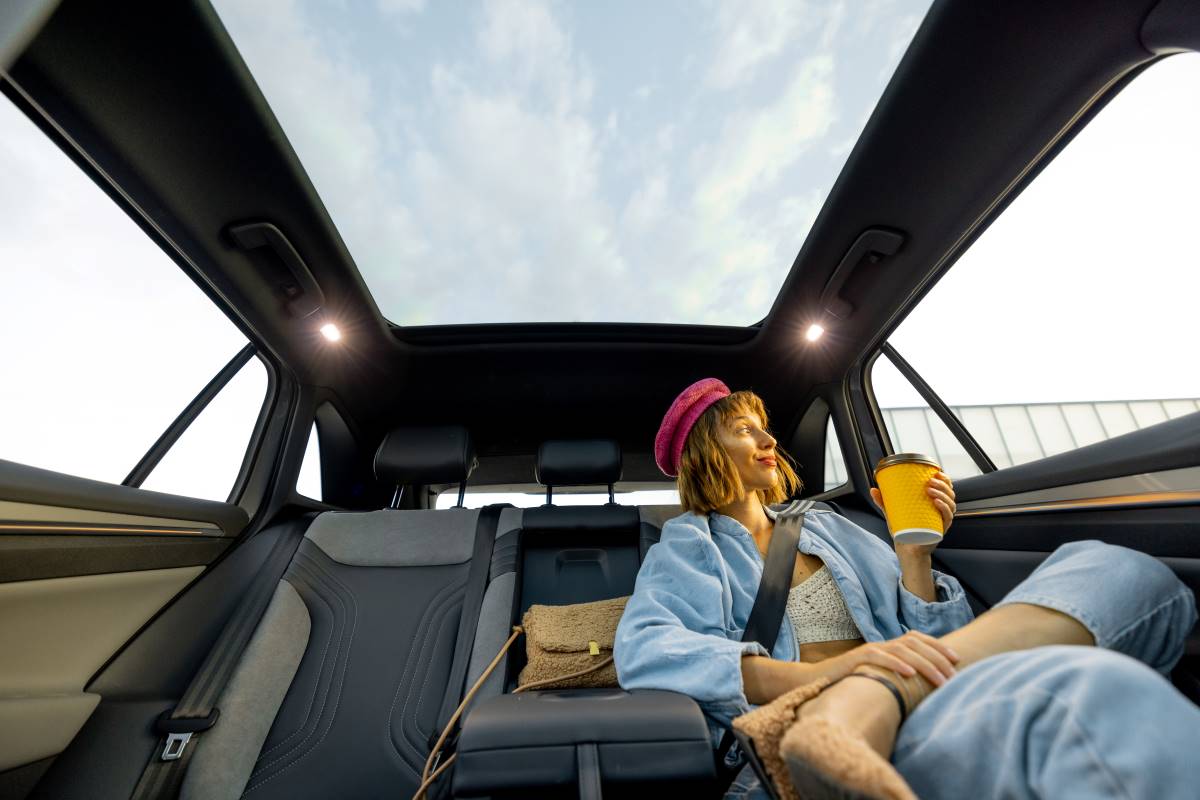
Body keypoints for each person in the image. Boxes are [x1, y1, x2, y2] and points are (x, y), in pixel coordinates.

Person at [614, 378, 1200, 799]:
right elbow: (645, 647)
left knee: (1119, 570)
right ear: (706, 454)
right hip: (793, 730)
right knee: (1092, 694)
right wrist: (826, 676)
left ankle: (868, 703)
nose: (768, 441)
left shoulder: (823, 525)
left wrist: (914, 554)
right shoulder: (691, 544)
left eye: (766, 429)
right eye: (745, 430)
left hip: (920, 702)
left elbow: (934, 638)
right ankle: (854, 706)